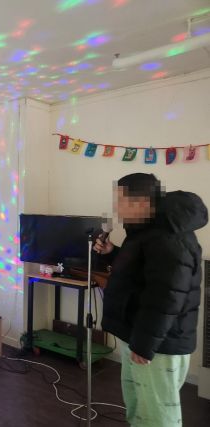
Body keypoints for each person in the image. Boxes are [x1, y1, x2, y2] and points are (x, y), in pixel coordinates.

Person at [94, 173, 207, 427]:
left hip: (156, 344)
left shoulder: (168, 236)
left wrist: (145, 344)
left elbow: (166, 296)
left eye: (120, 201)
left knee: (157, 418)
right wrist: (112, 253)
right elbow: (143, 271)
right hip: (140, 335)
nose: (116, 208)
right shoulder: (147, 231)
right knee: (140, 410)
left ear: (142, 202)